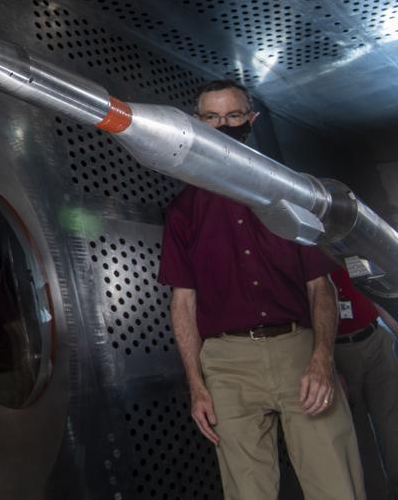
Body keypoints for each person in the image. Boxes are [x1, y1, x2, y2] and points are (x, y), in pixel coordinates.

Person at [159, 79, 364, 499]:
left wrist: (322, 358)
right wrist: (197, 385)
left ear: (250, 120)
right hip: (227, 365)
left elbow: (319, 286)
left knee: (335, 484)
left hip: (297, 352)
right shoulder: (184, 212)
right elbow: (183, 303)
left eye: (233, 116)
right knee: (247, 491)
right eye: (212, 118)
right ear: (197, 123)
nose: (224, 125)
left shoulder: (290, 194)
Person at [331, 266, 398, 499]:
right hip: (336, 351)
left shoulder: (348, 240)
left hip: (374, 338)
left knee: (393, 427)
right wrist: (328, 366)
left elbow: (374, 291)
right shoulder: (303, 246)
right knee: (359, 439)